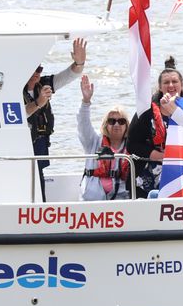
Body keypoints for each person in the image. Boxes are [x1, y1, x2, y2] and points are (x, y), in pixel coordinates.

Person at [23, 37, 87, 201]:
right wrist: (38, 103)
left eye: (39, 69)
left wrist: (79, 63)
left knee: (40, 185)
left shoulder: (45, 84)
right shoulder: (12, 88)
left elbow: (69, 75)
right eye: (31, 69)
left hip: (39, 146)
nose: (36, 74)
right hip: (21, 147)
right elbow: (17, 115)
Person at [127, 56, 183, 197]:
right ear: (160, 87)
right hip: (146, 176)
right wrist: (161, 156)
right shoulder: (146, 111)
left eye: (174, 82)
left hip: (180, 172)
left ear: (181, 85)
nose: (171, 85)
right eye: (166, 82)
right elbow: (132, 144)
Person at [77, 75, 131, 201]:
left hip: (121, 195)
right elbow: (83, 124)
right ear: (106, 124)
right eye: (112, 121)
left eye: (121, 121)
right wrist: (85, 102)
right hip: (93, 195)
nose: (116, 124)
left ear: (126, 125)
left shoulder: (131, 145)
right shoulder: (93, 141)